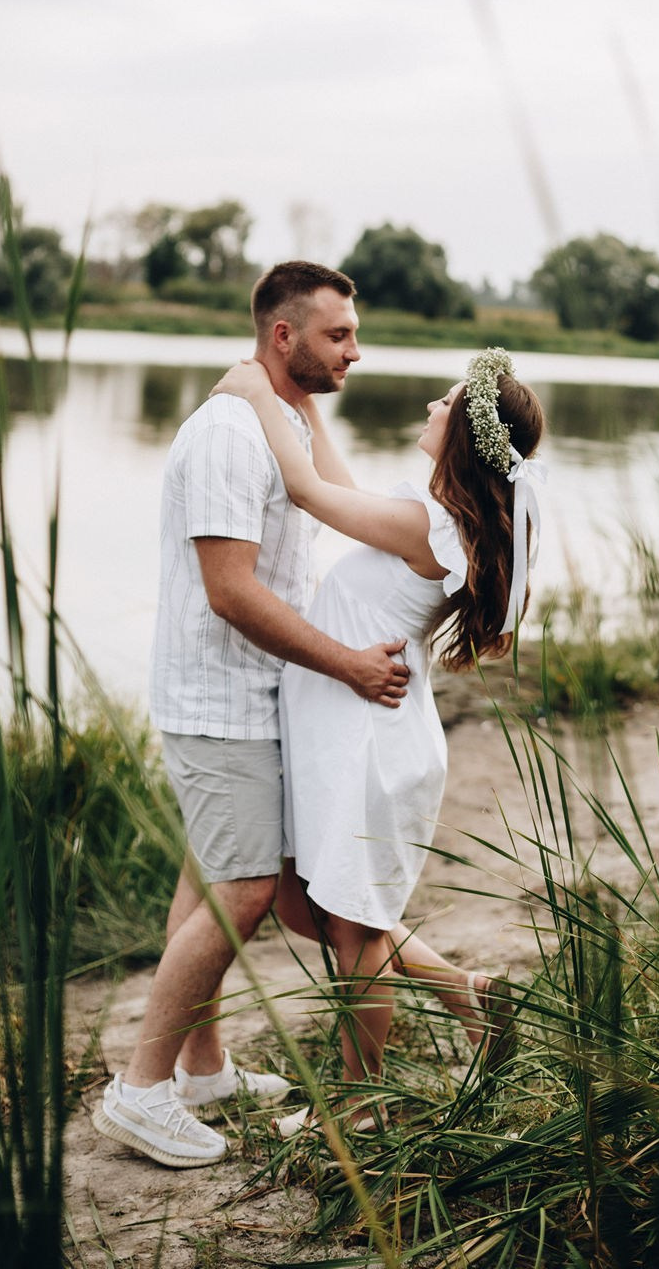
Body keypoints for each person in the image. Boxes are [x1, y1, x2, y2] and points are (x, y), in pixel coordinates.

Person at [93, 262, 410, 1169]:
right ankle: (140, 1091)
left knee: (208, 880)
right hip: (220, 699)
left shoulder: (280, 422)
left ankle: (201, 1072)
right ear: (285, 337)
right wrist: (347, 663)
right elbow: (230, 593)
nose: (355, 349)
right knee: (243, 890)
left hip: (254, 696)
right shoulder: (231, 437)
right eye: (338, 334)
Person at [210, 345, 545, 1134]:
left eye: (445, 402)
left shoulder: (428, 526)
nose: (431, 407)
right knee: (308, 907)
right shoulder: (425, 519)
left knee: (351, 927)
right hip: (351, 733)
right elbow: (341, 489)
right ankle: (467, 994)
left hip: (368, 742)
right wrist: (306, 403)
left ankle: (357, 1108)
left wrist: (259, 390)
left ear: (463, 432)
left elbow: (306, 490)